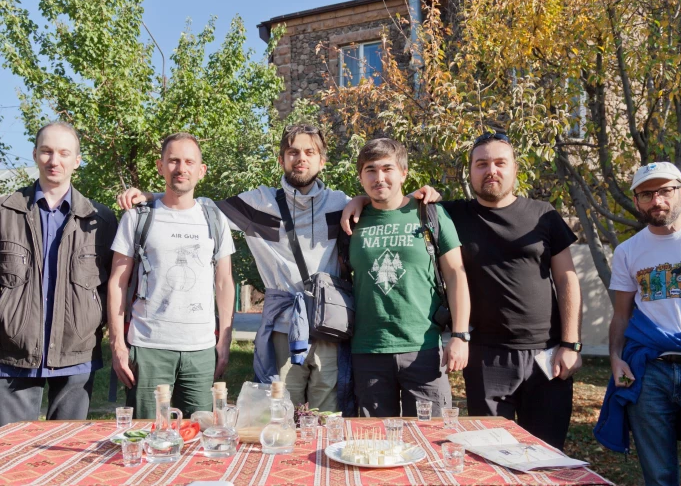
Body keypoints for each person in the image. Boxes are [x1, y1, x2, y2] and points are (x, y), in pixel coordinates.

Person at [117, 124, 439, 415]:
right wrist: (153, 196)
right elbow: (200, 208)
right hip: (283, 328)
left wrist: (411, 196)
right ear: (282, 160)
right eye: (293, 152)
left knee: (328, 412)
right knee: (280, 410)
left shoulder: (341, 203)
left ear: (322, 161)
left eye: (310, 152)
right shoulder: (259, 204)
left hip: (330, 328)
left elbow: (384, 200)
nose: (301, 158)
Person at [439, 131, 582, 450]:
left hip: (546, 354)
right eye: (482, 163)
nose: (491, 170)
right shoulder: (451, 214)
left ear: (515, 169)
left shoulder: (543, 214)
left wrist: (571, 344)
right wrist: (361, 200)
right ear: (471, 171)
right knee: (490, 453)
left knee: (546, 453)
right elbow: (398, 204)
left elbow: (567, 279)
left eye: (500, 163)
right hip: (486, 357)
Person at [595, 161, 681, 486]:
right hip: (649, 373)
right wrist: (616, 358)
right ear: (637, 201)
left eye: (664, 190)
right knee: (661, 484)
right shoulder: (628, 251)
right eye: (647, 194)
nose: (656, 200)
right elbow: (622, 316)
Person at [108, 133, 235, 418]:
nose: (181, 168)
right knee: (146, 436)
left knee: (200, 440)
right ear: (160, 166)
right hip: (149, 346)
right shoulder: (137, 217)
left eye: (189, 161)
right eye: (174, 160)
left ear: (201, 170)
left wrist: (224, 339)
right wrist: (117, 343)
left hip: (201, 350)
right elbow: (118, 283)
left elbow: (225, 282)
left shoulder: (214, 219)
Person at [0, 121, 117, 426]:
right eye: (47, 151)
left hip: (77, 355)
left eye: (64, 153)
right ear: (35, 154)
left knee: (66, 451)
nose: (55, 161)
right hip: (13, 355)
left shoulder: (100, 219)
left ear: (77, 160)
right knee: (11, 456)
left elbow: (113, 284)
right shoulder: (4, 213)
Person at [347, 138, 471, 417]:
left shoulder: (429, 213)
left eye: (387, 168)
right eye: (370, 170)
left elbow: (455, 275)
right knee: (374, 443)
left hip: (423, 348)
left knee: (431, 438)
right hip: (368, 351)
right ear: (361, 177)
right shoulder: (352, 220)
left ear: (403, 173)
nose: (379, 177)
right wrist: (357, 202)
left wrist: (460, 335)